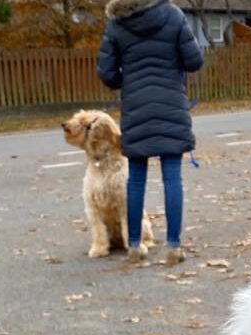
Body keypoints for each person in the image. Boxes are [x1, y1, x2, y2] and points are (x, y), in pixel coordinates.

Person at [96, 0, 204, 265]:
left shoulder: (116, 23)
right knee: (172, 178)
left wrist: (131, 79)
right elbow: (194, 61)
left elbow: (107, 74)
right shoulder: (173, 14)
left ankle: (134, 245)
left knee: (135, 180)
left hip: (136, 108)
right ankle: (174, 246)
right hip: (171, 104)